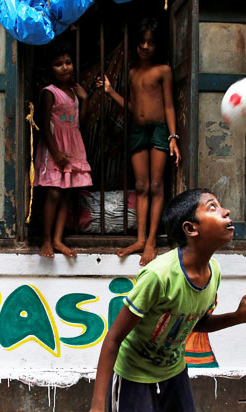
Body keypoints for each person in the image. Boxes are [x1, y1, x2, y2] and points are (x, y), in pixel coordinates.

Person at [80, 188, 246, 412]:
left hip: (174, 376)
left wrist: (237, 317)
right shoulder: (158, 277)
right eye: (212, 207)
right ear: (191, 228)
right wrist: (97, 408)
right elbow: (114, 339)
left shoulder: (215, 273)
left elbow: (192, 322)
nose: (226, 211)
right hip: (135, 381)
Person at [98, 18, 181, 266]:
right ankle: (140, 239)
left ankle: (152, 241)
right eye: (142, 43)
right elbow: (133, 108)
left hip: (159, 130)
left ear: (158, 46)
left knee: (156, 185)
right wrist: (112, 93)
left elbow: (168, 105)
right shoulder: (133, 73)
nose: (145, 47)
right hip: (137, 129)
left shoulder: (163, 70)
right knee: (141, 185)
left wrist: (173, 137)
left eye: (150, 43)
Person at [34, 39, 92, 258]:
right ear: (51, 68)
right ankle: (46, 240)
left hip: (73, 146)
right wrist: (56, 153)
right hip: (55, 148)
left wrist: (85, 100)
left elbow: (80, 123)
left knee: (67, 193)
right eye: (59, 64)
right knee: (54, 193)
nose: (65, 67)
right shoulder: (49, 92)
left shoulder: (75, 92)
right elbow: (44, 126)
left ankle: (58, 239)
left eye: (68, 62)